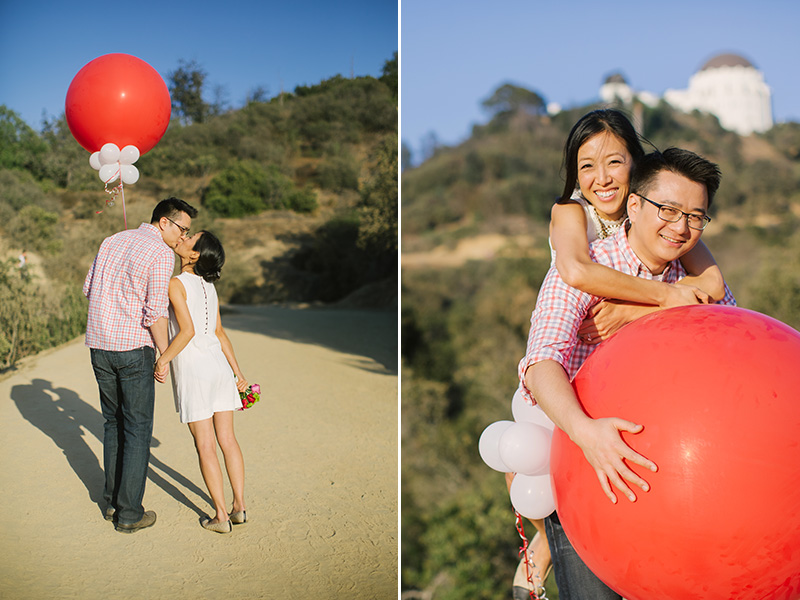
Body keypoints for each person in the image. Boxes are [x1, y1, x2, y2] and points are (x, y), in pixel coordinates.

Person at [511, 109, 726, 597]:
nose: (679, 225)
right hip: (584, 444)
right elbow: (546, 349)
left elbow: (724, 314)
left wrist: (645, 311)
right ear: (636, 205)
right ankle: (540, 549)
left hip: (667, 460)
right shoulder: (579, 236)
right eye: (588, 166)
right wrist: (584, 432)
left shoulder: (684, 265)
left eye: (694, 216)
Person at [84, 197, 197, 533]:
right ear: (164, 222)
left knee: (112, 423)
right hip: (133, 348)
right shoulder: (160, 252)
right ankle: (130, 512)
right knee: (136, 430)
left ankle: (111, 501)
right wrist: (165, 356)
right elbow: (155, 312)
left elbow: (89, 288)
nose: (182, 237)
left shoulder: (111, 240)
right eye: (182, 229)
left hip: (99, 345)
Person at [154, 230, 249, 534]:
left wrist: (162, 359)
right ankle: (239, 506)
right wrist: (238, 373)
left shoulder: (176, 284)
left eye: (190, 238)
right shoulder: (209, 287)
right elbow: (219, 333)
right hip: (219, 368)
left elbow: (187, 332)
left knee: (205, 444)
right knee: (228, 440)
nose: (183, 237)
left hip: (194, 369)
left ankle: (220, 516)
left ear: (194, 255)